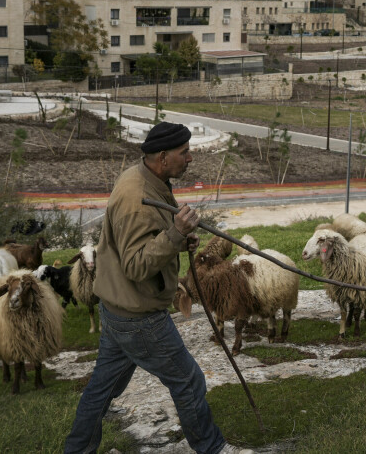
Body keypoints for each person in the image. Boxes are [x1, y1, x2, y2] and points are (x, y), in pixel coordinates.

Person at [65, 121, 249, 454]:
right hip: (140, 317)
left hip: (117, 309)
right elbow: (135, 266)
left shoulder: (146, 178)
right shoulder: (138, 198)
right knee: (188, 380)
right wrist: (174, 234)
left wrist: (177, 240)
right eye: (185, 152)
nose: (190, 158)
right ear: (163, 157)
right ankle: (213, 448)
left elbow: (142, 242)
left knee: (100, 391)